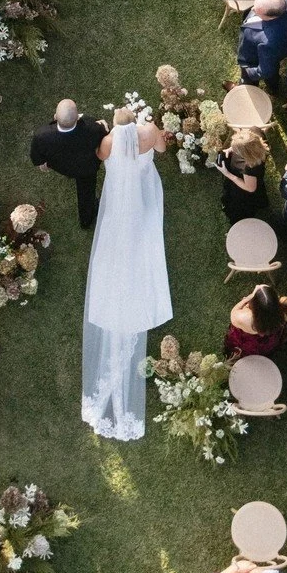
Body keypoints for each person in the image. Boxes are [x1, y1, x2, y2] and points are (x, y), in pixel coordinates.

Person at [82, 107, 172, 441]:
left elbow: (100, 156)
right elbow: (161, 147)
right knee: (146, 238)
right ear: (133, 124)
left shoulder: (106, 143)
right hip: (143, 192)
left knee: (117, 252)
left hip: (119, 201)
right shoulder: (148, 133)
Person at [30, 99, 107, 229]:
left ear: (55, 117)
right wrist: (102, 124)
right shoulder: (92, 128)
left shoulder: (42, 135)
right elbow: (104, 137)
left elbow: (37, 159)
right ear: (78, 117)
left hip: (62, 167)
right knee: (86, 194)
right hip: (86, 169)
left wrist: (45, 164)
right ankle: (86, 221)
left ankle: (86, 220)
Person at [236, 0, 287, 91]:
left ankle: (269, 88)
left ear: (271, 17)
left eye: (256, 10)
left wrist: (249, 72)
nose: (252, 9)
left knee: (270, 75)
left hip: (260, 56)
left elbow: (266, 70)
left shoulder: (267, 42)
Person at [216, 128, 270, 224]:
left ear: (245, 153)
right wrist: (230, 149)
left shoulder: (250, 166)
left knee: (237, 209)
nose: (234, 150)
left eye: (236, 149)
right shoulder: (255, 133)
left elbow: (250, 188)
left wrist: (227, 174)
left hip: (244, 189)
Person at [225, 284, 287, 357]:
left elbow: (234, 313)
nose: (257, 285)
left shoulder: (243, 317)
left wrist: (247, 298)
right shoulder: (285, 309)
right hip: (270, 338)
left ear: (254, 305)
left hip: (249, 343)